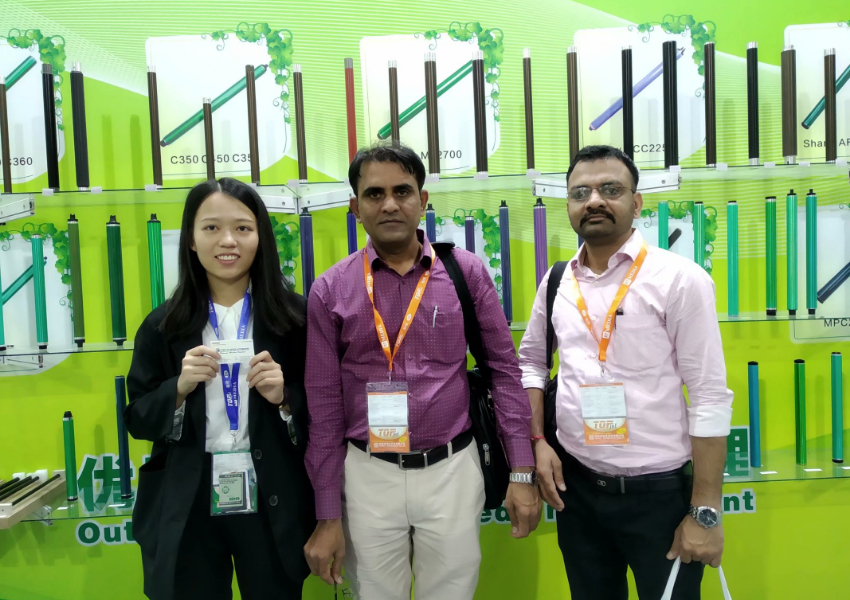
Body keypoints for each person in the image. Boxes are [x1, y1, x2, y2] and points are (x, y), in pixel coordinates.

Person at [303, 144, 540, 600]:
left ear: (423, 200)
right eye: (374, 194)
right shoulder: (330, 290)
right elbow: (324, 406)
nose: (390, 204)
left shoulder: (465, 273)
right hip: (367, 473)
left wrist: (521, 472)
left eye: (402, 191)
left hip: (451, 470)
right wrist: (327, 513)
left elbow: (503, 372)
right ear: (355, 207)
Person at [518, 145, 733, 600]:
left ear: (636, 203)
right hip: (577, 491)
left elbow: (710, 396)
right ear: (569, 205)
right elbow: (532, 364)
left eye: (610, 189)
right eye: (581, 192)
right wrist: (537, 441)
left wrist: (705, 510)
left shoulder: (679, 279)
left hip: (659, 499)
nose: (594, 200)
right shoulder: (556, 281)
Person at [125, 178, 315, 600]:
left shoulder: (297, 318)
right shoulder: (162, 325)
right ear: (191, 240)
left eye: (242, 228)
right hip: (188, 498)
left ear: (260, 238)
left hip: (272, 496)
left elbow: (327, 410)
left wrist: (285, 398)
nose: (228, 241)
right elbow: (137, 418)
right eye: (211, 228)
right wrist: (177, 389)